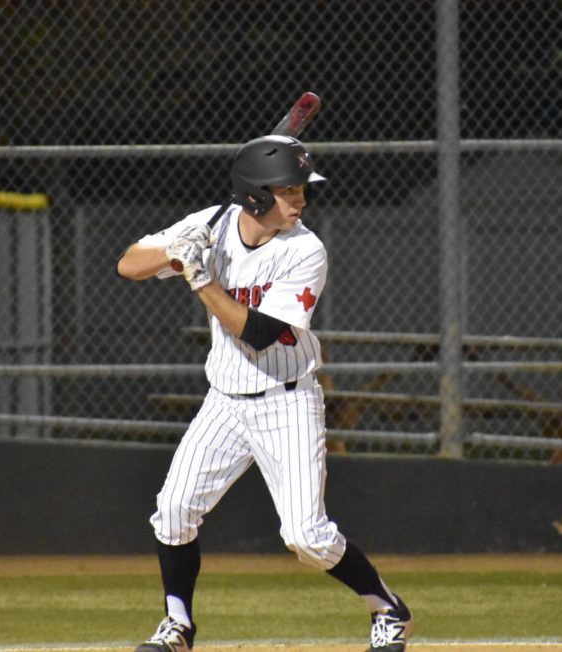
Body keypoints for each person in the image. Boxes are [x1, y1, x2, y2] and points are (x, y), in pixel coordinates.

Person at [116, 134, 413, 652]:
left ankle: (388, 609)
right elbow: (128, 265)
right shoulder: (210, 224)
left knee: (306, 537)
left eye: (302, 189)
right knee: (174, 510)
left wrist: (199, 277)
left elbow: (255, 332)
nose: (300, 199)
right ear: (254, 196)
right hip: (225, 402)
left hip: (285, 399)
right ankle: (177, 625)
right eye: (288, 190)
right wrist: (174, 249)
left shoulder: (305, 250)